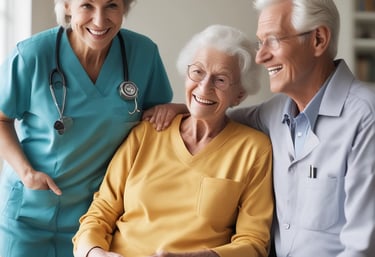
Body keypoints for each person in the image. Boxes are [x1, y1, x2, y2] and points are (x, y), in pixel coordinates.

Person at [0, 0, 185, 256]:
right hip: (28, 214)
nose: (99, 21)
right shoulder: (32, 55)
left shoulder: (143, 54)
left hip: (94, 220)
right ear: (66, 6)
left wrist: (178, 109)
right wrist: (26, 172)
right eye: (87, 5)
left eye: (111, 6)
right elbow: (1, 119)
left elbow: (155, 124)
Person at [72, 24, 274, 257]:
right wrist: (94, 252)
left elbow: (254, 242)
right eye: (197, 72)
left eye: (220, 80)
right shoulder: (147, 132)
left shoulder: (254, 150)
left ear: (239, 95)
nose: (204, 87)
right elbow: (101, 211)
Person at [228, 0, 375, 256]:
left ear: (318, 39)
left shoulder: (366, 116)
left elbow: (361, 248)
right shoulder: (272, 112)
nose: (261, 57)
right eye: (259, 43)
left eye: (273, 40)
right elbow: (219, 121)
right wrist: (178, 110)